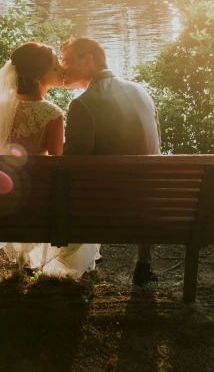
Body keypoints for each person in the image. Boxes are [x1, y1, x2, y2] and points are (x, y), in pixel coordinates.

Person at [0, 41, 98, 278]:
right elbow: (58, 163)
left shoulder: (1, 107)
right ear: (39, 77)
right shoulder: (52, 114)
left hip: (5, 197)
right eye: (56, 68)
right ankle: (55, 262)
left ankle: (25, 259)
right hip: (39, 200)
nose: (62, 70)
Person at [60, 36, 162, 286]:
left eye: (66, 61)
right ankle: (144, 264)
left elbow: (71, 165)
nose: (63, 68)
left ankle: (75, 261)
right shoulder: (141, 91)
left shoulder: (83, 104)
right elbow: (154, 143)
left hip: (112, 206)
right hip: (153, 202)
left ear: (87, 60)